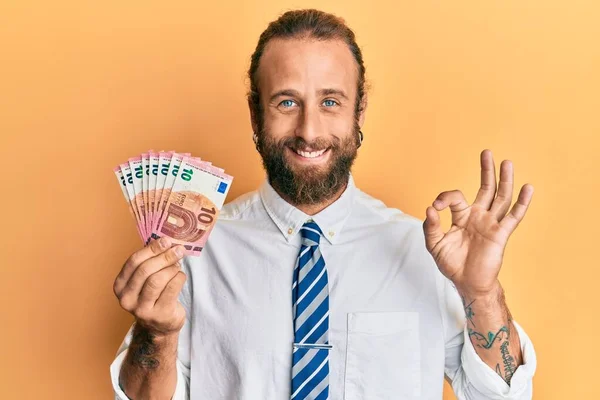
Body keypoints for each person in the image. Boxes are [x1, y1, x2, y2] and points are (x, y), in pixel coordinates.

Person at [110, 9, 536, 400]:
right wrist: (156, 335)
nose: (309, 131)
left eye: (330, 102)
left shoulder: (427, 253)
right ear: (255, 115)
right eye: (287, 102)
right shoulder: (191, 254)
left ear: (360, 111)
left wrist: (481, 294)